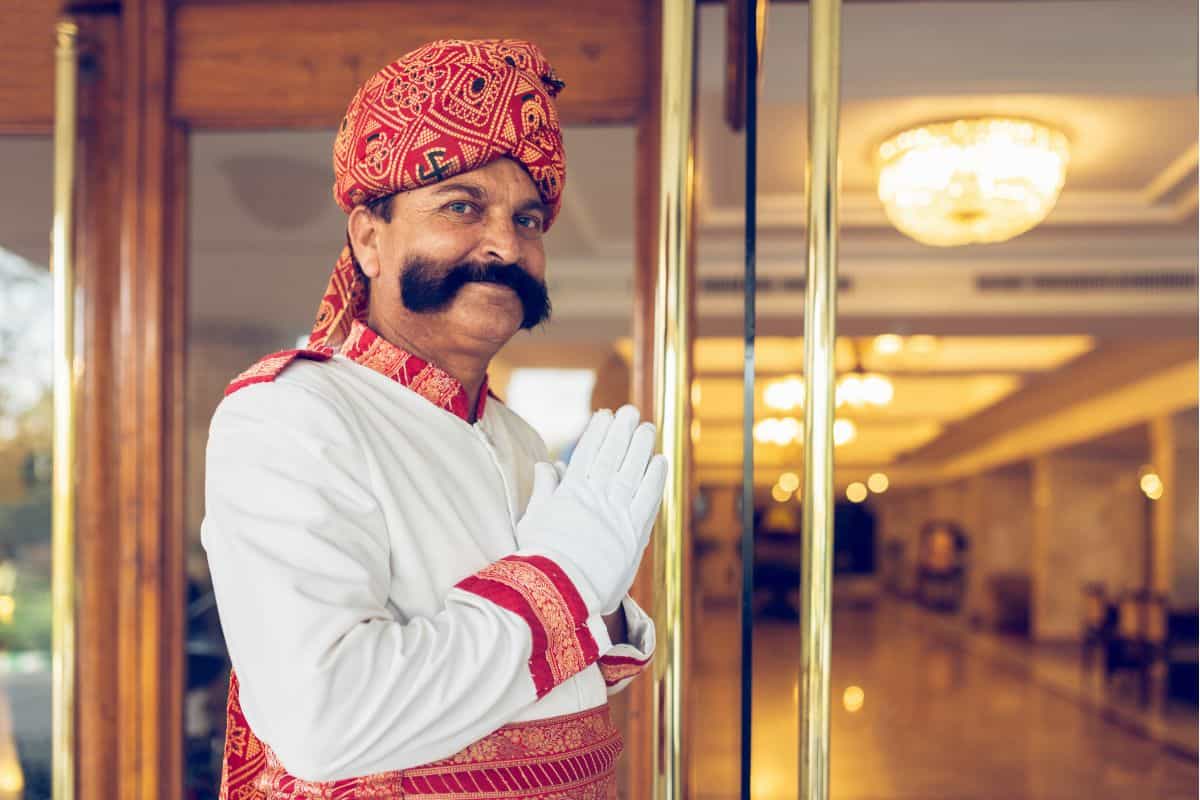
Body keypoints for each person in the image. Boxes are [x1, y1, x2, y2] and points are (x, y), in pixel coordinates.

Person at [201, 39, 667, 800]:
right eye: (462, 207)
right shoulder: (289, 415)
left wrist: (601, 604)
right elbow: (329, 721)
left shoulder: (511, 435)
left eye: (529, 220)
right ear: (369, 238)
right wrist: (568, 579)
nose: (505, 244)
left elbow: (556, 679)